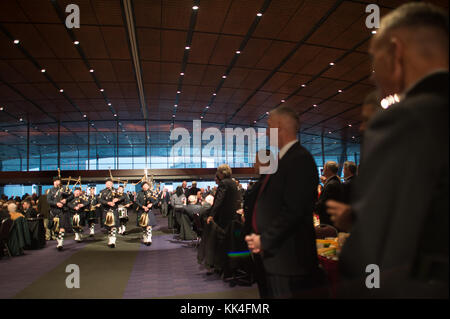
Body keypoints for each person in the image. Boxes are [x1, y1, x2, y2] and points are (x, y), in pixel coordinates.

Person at [337, 2, 449, 298]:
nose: (373, 75)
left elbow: (374, 248)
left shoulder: (405, 119)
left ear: (397, 52)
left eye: (375, 59)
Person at [245, 106, 325, 298]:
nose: (265, 132)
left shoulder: (299, 159)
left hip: (291, 261)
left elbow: (293, 211)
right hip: (279, 258)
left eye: (269, 125)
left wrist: (264, 240)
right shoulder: (285, 159)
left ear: (279, 127)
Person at [206, 164, 240, 276]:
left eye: (218, 172)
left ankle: (220, 266)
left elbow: (219, 201)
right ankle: (228, 266)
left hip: (224, 218)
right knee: (229, 242)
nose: (217, 174)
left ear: (222, 173)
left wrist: (211, 215)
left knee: (221, 242)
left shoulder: (224, 183)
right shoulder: (233, 183)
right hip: (232, 217)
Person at [315, 161, 343, 227]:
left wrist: (314, 209)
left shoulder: (331, 184)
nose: (323, 170)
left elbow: (324, 202)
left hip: (328, 220)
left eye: (324, 168)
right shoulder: (334, 181)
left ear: (328, 170)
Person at [47, 177, 70, 251]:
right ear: (54, 182)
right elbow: (48, 200)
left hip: (62, 211)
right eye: (56, 181)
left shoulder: (64, 188)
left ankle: (61, 243)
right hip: (53, 211)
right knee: (55, 229)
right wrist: (56, 203)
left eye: (59, 181)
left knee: (62, 227)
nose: (57, 182)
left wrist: (65, 200)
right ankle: (58, 240)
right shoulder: (50, 190)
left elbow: (72, 196)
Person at [98, 180, 120, 248]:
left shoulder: (116, 191)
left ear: (112, 184)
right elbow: (100, 200)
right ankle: (110, 237)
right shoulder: (102, 191)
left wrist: (117, 199)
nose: (108, 184)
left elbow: (123, 197)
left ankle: (113, 240)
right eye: (107, 183)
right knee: (108, 227)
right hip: (106, 210)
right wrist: (107, 203)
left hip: (114, 210)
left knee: (113, 226)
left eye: (110, 183)